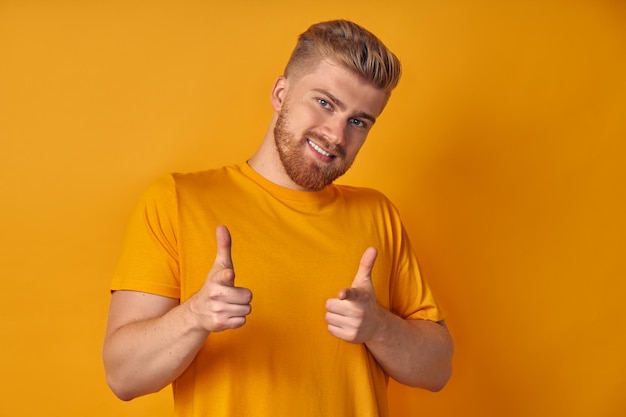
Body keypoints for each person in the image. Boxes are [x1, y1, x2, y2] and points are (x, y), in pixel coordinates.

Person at [103, 19, 454, 417]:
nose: (337, 135)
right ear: (281, 93)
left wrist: (378, 327)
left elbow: (438, 370)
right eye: (325, 103)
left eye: (358, 121)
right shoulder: (177, 201)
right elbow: (122, 376)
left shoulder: (378, 215)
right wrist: (195, 316)